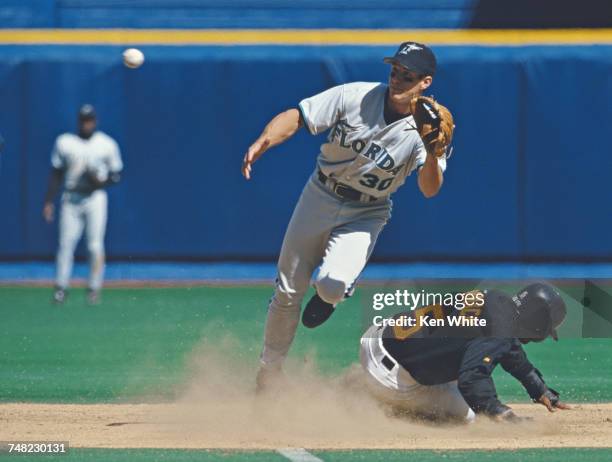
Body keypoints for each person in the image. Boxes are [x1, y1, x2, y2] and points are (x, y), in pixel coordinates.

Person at [241, 42, 450, 388]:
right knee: (287, 291)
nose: (397, 79)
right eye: (395, 70)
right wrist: (265, 139)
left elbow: (430, 189)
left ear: (425, 82)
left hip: (367, 209)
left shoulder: (429, 126)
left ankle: (328, 299)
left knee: (332, 284)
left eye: (407, 75)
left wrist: (431, 154)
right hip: (320, 193)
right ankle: (269, 371)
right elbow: (299, 116)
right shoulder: (357, 95)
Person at [360, 283, 571, 422]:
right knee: (468, 417)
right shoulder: (501, 331)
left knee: (455, 355)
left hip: (380, 335)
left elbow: (510, 349)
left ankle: (371, 393)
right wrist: (498, 412)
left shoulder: (497, 300)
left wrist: (539, 389)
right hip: (391, 376)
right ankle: (392, 410)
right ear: (537, 322)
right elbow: (471, 378)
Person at [43, 104, 123, 304]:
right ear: (79, 121)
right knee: (65, 245)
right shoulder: (65, 142)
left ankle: (94, 288)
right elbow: (56, 173)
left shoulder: (106, 144)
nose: (87, 123)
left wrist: (99, 181)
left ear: (95, 121)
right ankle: (61, 288)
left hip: (95, 198)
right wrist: (48, 201)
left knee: (95, 245)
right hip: (71, 197)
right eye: (83, 120)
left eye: (90, 120)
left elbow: (116, 174)